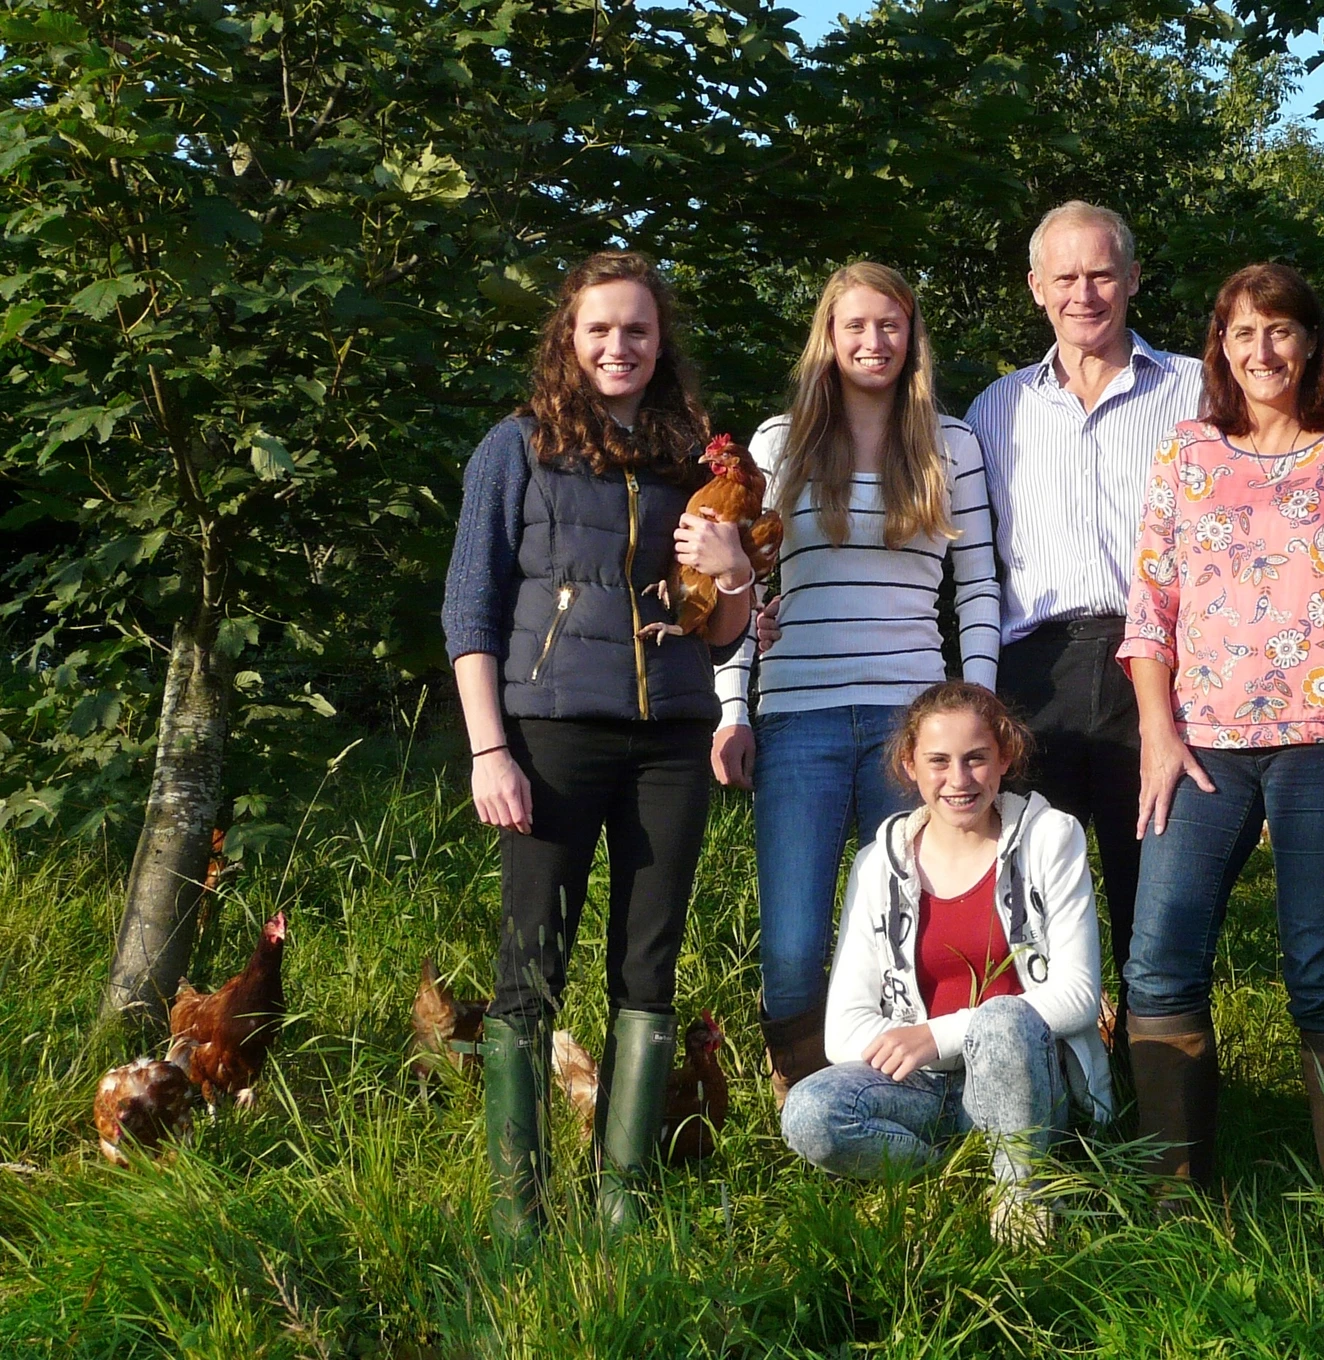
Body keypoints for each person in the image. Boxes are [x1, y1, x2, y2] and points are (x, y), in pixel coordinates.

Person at [441, 250, 754, 1242]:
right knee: (531, 961)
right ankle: (518, 1208)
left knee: (648, 964)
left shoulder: (687, 463)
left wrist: (735, 569)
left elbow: (719, 630)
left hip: (669, 736)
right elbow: (469, 607)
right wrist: (490, 750)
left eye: (637, 330)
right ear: (568, 340)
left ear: (660, 345)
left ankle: (624, 1198)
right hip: (548, 731)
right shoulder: (516, 447)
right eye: (599, 329)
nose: (618, 346)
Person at [1115, 262, 1324, 1211]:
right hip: (1200, 743)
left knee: (1319, 966)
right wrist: (1157, 733)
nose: (1261, 350)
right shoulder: (1187, 452)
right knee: (1158, 957)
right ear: (1219, 348)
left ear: (1312, 342)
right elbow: (1148, 604)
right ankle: (1176, 1198)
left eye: (1279, 331)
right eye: (1241, 333)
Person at [710, 263, 1001, 1104]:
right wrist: (733, 711)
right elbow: (743, 589)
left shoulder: (953, 446)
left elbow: (979, 587)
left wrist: (973, 709)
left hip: (911, 727)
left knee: (909, 925)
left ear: (912, 337)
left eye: (891, 326)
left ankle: (914, 1104)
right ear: (828, 338)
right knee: (795, 943)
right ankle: (804, 1102)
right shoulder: (778, 446)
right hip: (796, 717)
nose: (874, 342)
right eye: (856, 327)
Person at [964, 201, 1205, 1025]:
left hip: (1165, 668)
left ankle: (1160, 1105)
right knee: (1036, 892)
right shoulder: (996, 410)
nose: (1084, 293)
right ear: (1036, 288)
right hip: (1038, 671)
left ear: (1133, 279)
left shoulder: (1197, 389)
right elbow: (968, 562)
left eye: (1101, 273)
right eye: (1064, 276)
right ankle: (1053, 1091)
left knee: (1157, 891)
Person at [780, 681, 1113, 1247]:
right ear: (910, 765)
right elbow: (843, 1031)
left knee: (1003, 1018)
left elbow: (1079, 995)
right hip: (927, 1090)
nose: (958, 780)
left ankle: (1021, 1208)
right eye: (938, 761)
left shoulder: (1051, 837)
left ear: (1005, 758)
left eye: (976, 758)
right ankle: (951, 1176)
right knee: (809, 1111)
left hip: (1027, 1071)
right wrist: (927, 1052)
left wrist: (936, 1034)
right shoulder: (877, 862)